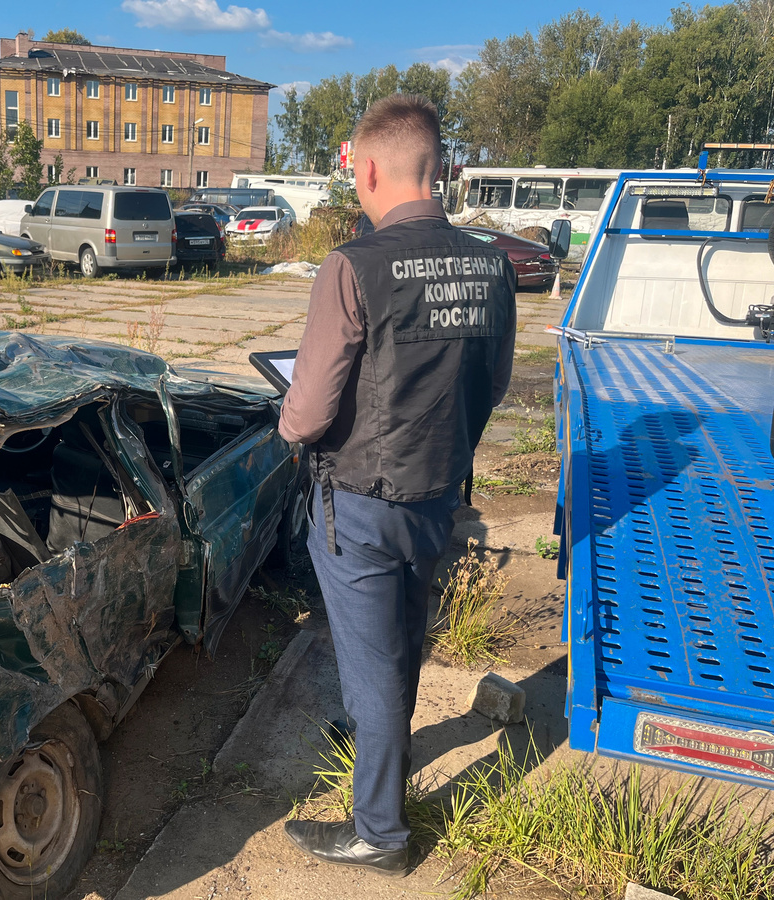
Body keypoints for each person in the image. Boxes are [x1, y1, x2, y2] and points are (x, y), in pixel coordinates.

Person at [280, 94, 516, 876]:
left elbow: (307, 413)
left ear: (369, 168)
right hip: (438, 490)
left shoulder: (353, 267)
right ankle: (385, 744)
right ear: (439, 167)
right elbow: (494, 380)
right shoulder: (490, 263)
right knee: (404, 635)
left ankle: (379, 831)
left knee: (371, 661)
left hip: (360, 501)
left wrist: (288, 423)